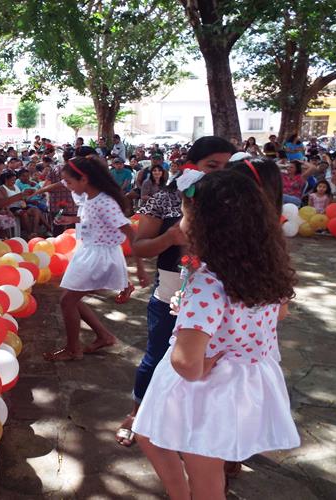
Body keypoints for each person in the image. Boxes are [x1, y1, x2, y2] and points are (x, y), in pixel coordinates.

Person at [132, 169, 299, 499]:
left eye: (184, 215)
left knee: (205, 476)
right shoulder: (266, 267)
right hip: (245, 380)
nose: (180, 222)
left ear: (204, 225)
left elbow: (186, 361)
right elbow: (279, 312)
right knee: (150, 434)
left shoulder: (208, 283)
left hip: (206, 386)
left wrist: (200, 364)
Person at [114, 136, 236, 447]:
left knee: (217, 366)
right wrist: (170, 238)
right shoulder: (165, 199)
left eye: (226, 166)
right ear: (191, 166)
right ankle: (137, 415)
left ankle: (211, 432)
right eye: (212, 165)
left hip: (223, 299)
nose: (219, 173)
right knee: (157, 357)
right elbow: (139, 248)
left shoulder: (236, 202)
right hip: (171, 294)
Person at [43, 156, 144, 361]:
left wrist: (140, 267)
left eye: (70, 182)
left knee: (67, 301)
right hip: (89, 251)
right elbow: (92, 218)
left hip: (100, 256)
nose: (68, 187)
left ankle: (73, 349)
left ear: (84, 179)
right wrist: (72, 219)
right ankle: (103, 336)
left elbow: (130, 232)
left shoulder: (104, 202)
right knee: (71, 298)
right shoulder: (90, 197)